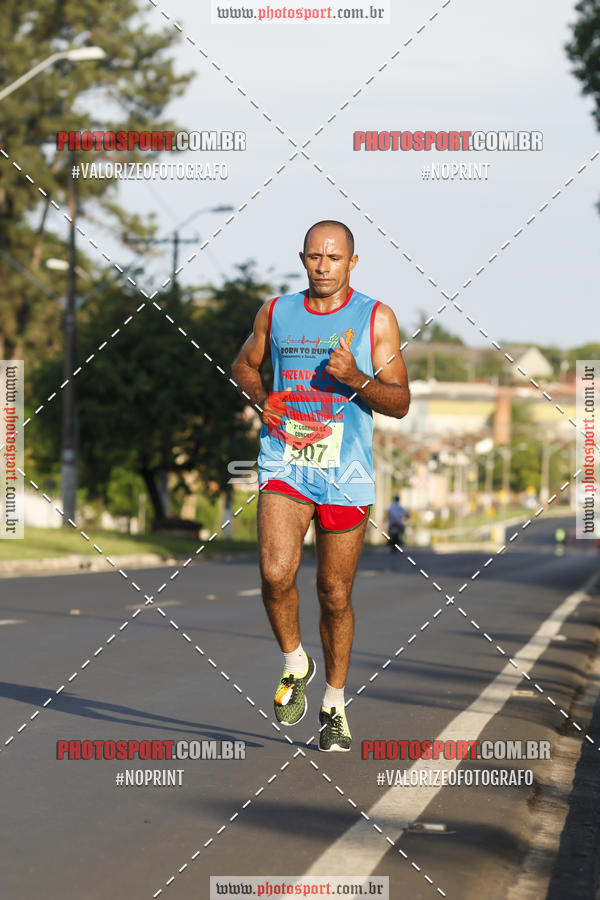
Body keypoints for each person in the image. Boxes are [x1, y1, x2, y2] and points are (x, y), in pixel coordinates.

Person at [232, 220, 410, 751]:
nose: (323, 266)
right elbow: (244, 365)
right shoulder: (276, 311)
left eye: (334, 258)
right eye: (314, 256)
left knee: (334, 593)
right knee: (274, 571)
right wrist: (263, 399)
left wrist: (356, 377)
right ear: (303, 258)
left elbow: (400, 402)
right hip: (285, 460)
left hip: (345, 470)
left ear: (352, 262)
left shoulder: (376, 318)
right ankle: (295, 661)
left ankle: (334, 703)